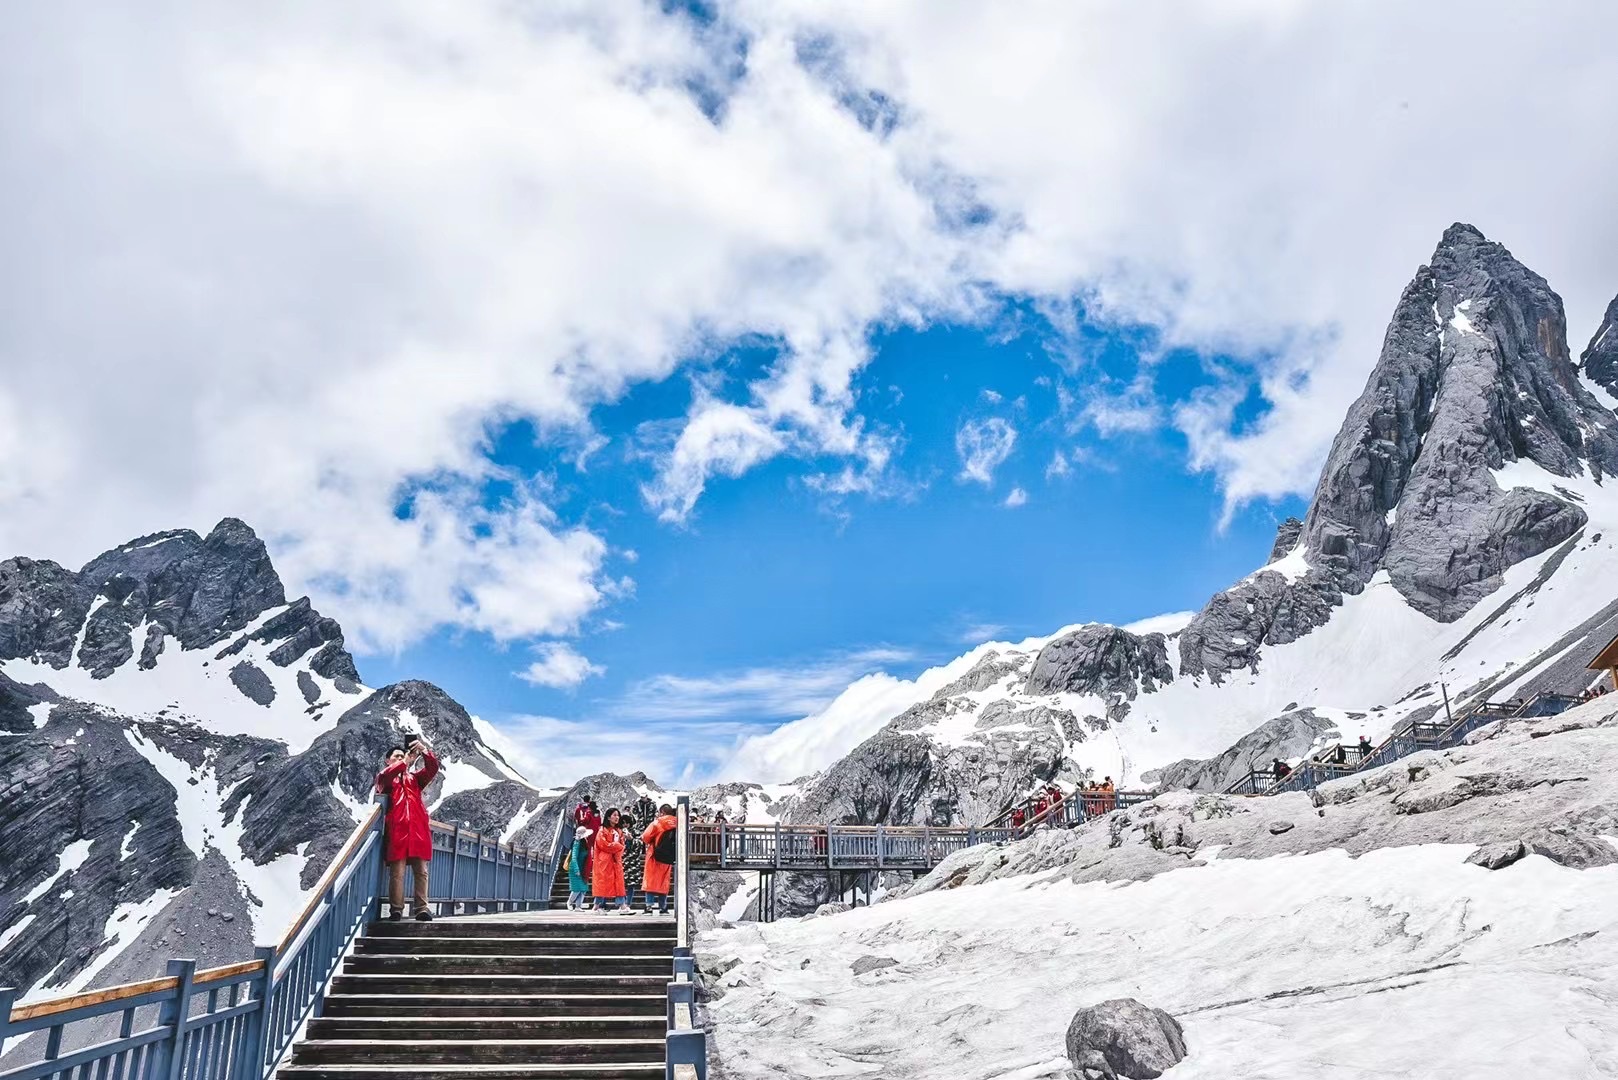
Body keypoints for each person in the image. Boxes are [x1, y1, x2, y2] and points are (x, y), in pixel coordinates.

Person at [375, 738, 440, 922]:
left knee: (422, 872)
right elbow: (385, 777)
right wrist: (405, 762)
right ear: (388, 761)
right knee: (397, 874)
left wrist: (424, 751)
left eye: (402, 756)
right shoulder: (385, 778)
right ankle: (396, 909)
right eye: (396, 757)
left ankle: (422, 909)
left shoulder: (415, 780)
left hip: (417, 832)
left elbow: (432, 769)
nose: (401, 758)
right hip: (398, 832)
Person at [641, 803, 679, 914]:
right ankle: (663, 907)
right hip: (669, 857)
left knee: (650, 881)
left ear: (662, 812)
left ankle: (649, 906)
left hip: (655, 855)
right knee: (664, 881)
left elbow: (646, 837)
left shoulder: (658, 822)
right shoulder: (678, 822)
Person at [591, 808, 630, 913]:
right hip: (604, 862)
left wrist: (618, 847)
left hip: (615, 861)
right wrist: (617, 846)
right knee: (602, 883)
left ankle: (622, 905)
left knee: (619, 883)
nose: (617, 817)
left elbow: (622, 846)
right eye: (614, 815)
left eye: (618, 815)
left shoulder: (618, 831)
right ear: (608, 817)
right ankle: (597, 906)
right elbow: (603, 845)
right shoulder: (602, 831)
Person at [573, 796, 601, 879]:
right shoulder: (598, 813)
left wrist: (581, 821)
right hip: (596, 832)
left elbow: (584, 820)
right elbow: (600, 821)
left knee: (588, 848)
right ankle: (597, 863)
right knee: (596, 847)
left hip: (588, 832)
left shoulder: (587, 811)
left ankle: (589, 864)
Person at [566, 825, 592, 910]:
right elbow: (574, 857)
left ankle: (578, 906)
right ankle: (570, 902)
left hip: (582, 868)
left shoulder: (584, 841)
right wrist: (576, 869)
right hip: (575, 868)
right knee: (576, 888)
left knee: (583, 888)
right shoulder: (577, 843)